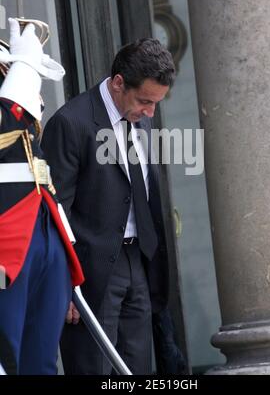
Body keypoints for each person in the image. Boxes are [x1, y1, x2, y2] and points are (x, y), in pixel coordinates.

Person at [42, 38, 181, 375]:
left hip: (140, 264)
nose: (150, 112)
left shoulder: (143, 119)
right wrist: (65, 285)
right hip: (90, 272)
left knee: (136, 370)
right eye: (145, 101)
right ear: (119, 83)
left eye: (156, 103)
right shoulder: (70, 123)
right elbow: (53, 211)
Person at [0, 0, 84, 375]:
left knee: (41, 361)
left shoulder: (5, 57)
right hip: (4, 230)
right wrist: (24, 68)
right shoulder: (14, 63)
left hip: (38, 220)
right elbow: (6, 123)